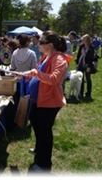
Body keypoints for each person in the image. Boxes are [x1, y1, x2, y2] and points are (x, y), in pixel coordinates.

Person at [23, 30, 68, 172]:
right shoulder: (46, 56)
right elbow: (41, 75)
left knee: (45, 133)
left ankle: (44, 164)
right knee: (36, 125)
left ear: (50, 45)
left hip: (49, 102)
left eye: (41, 42)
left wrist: (37, 74)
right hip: (39, 100)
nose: (38, 44)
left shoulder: (59, 59)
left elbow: (54, 79)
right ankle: (39, 151)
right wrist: (32, 75)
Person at [76, 34, 96, 101]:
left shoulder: (91, 47)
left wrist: (89, 66)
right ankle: (81, 93)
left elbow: (92, 58)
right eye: (82, 38)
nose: (82, 39)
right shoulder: (81, 46)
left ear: (87, 40)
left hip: (87, 65)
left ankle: (88, 94)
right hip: (81, 64)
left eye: (84, 39)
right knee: (81, 79)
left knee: (88, 79)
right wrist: (77, 62)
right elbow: (78, 55)